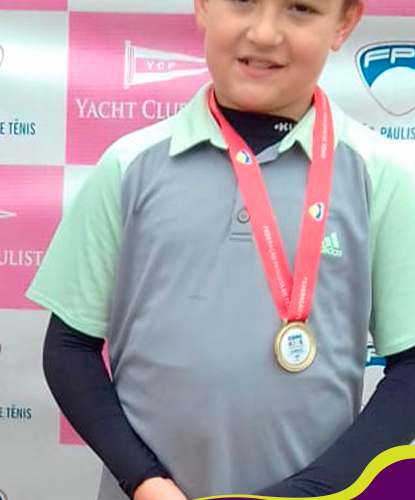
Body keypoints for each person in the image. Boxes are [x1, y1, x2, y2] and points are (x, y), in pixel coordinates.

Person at [27, 0, 415, 498]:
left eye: (300, 8)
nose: (265, 33)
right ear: (203, 6)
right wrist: (143, 480)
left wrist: (308, 492)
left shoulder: (381, 176)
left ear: (343, 23)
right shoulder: (128, 166)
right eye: (243, 1)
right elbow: (69, 349)